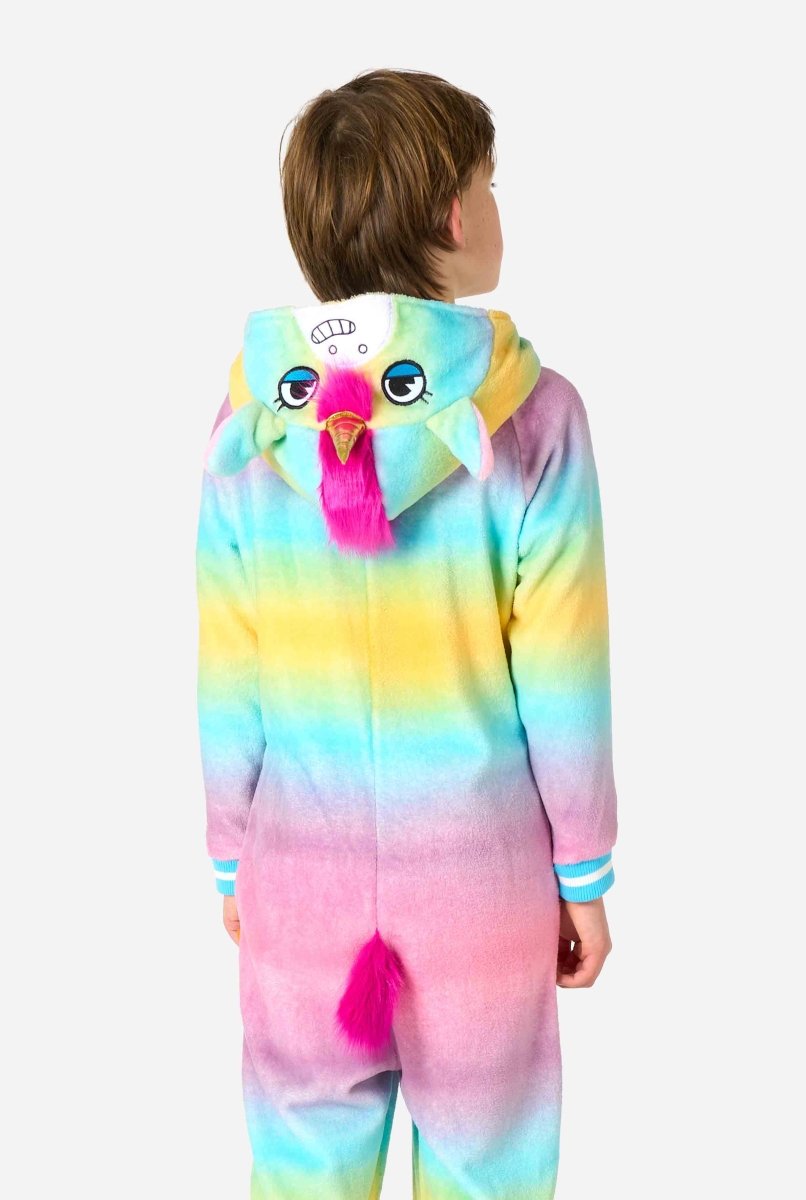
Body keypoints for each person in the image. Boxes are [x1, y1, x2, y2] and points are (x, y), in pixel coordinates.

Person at [195, 67, 618, 1200]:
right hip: (481, 887)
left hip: (296, 879)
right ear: (453, 214)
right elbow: (563, 679)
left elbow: (229, 669)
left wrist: (232, 857)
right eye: (490, 184)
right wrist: (582, 875)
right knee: (487, 1174)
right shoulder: (535, 420)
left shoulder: (248, 424)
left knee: (299, 1173)